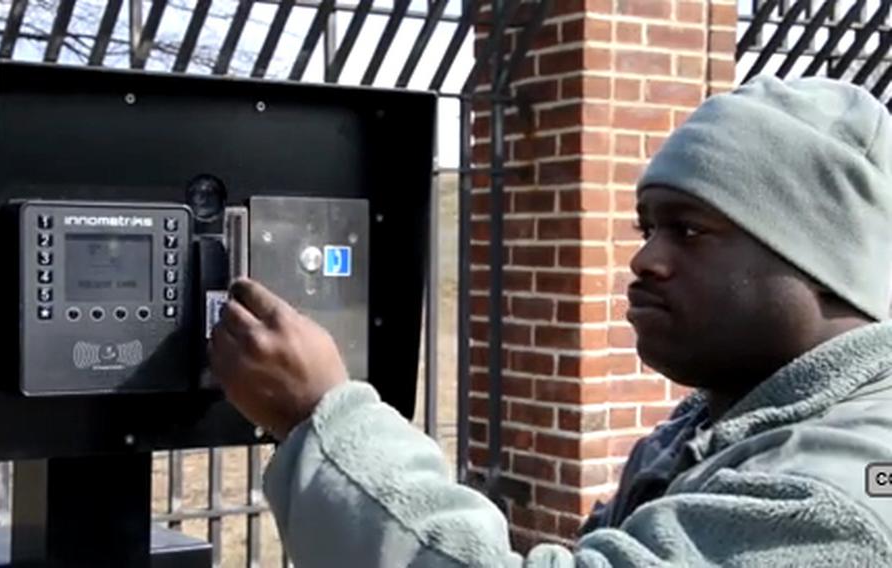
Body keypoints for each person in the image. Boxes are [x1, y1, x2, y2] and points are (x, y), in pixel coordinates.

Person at [209, 75, 892, 566]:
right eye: (648, 226)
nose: (645, 257)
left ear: (821, 259)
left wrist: (323, 419)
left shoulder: (833, 496)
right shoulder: (727, 426)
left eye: (689, 230)